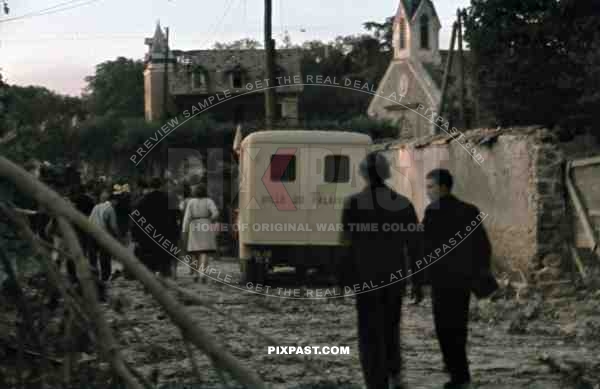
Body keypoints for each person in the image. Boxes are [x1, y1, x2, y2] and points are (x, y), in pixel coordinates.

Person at [339, 152, 423, 389]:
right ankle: (394, 373)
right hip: (394, 278)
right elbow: (415, 247)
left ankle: (374, 383)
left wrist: (341, 281)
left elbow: (345, 246)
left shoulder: (353, 204)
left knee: (368, 332)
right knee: (391, 327)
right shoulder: (403, 204)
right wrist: (417, 282)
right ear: (386, 173)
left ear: (364, 174)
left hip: (364, 279)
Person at [420, 169, 492, 389]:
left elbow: (425, 248)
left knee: (444, 328)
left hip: (442, 280)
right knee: (459, 326)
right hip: (462, 280)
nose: (427, 191)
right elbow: (483, 246)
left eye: (430, 186)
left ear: (443, 187)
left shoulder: (433, 212)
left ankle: (456, 374)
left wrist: (422, 279)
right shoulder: (470, 210)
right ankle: (460, 374)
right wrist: (478, 274)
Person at [131, 177, 178, 277]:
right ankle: (164, 285)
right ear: (161, 186)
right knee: (164, 264)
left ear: (150, 186)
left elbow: (136, 220)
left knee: (148, 265)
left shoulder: (141, 201)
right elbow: (174, 219)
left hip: (147, 236)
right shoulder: (169, 200)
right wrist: (175, 236)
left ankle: (149, 287)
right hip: (165, 236)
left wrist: (135, 237)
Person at [181, 184, 219, 283]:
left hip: (194, 226)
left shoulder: (191, 202)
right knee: (204, 251)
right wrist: (211, 220)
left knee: (194, 251)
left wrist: (184, 229)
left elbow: (187, 217)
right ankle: (202, 273)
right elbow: (216, 213)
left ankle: (195, 274)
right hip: (206, 225)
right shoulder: (209, 201)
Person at [88, 189, 120, 282]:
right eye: (116, 202)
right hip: (102, 235)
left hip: (91, 233)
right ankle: (105, 278)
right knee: (104, 257)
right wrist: (118, 237)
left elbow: (90, 219)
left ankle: (93, 277)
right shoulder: (110, 209)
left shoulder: (96, 206)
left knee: (92, 258)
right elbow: (113, 226)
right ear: (113, 201)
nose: (117, 204)